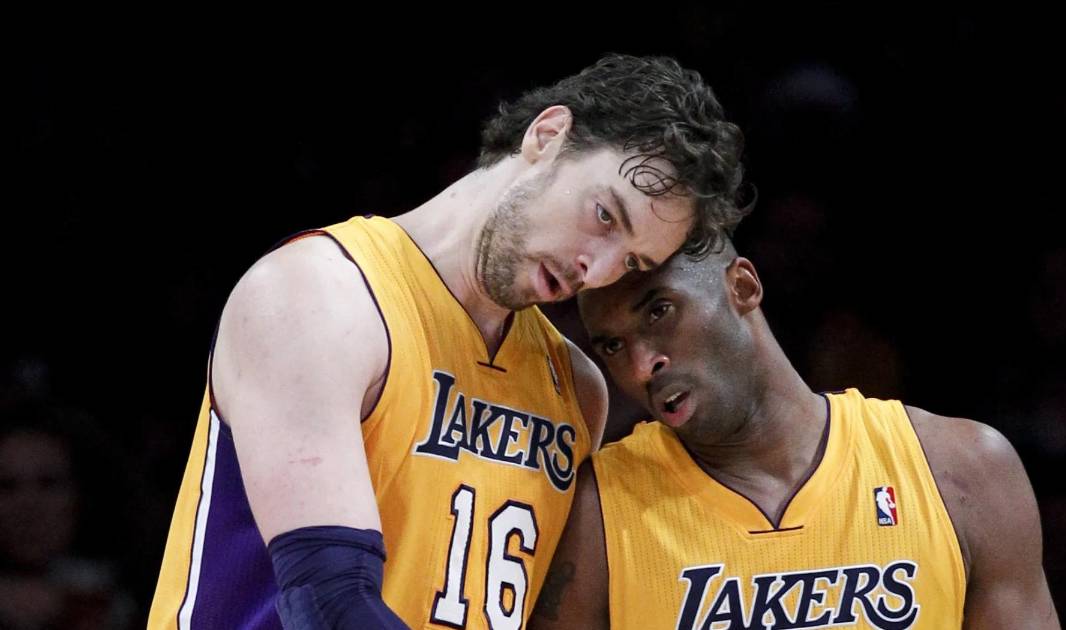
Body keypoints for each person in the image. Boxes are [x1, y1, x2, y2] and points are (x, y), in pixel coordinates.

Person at [148, 54, 748, 629]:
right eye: (605, 216)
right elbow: (325, 602)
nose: (597, 269)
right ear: (547, 136)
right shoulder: (318, 295)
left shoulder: (576, 390)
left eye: (632, 261)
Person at [532, 242, 1059, 629]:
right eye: (613, 346)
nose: (642, 365)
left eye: (659, 311)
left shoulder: (962, 469)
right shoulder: (594, 511)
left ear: (742, 287)